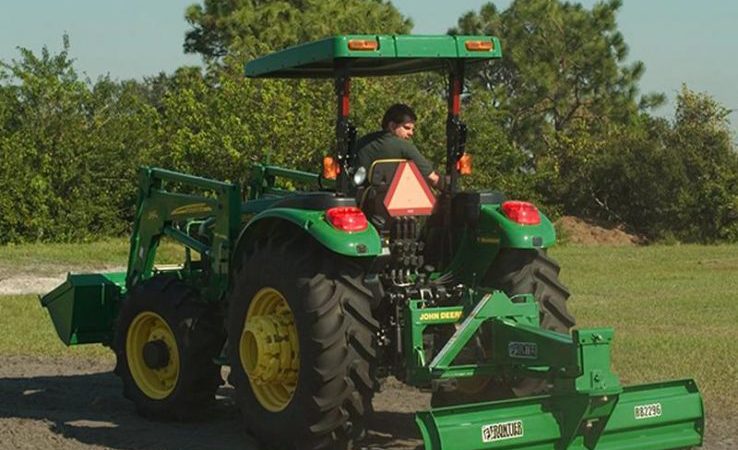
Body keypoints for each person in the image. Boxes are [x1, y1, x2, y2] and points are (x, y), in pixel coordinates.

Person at [355, 103, 440, 186]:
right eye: (406, 128)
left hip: (363, 197)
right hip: (396, 198)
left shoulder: (361, 143)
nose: (411, 133)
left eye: (412, 129)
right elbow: (432, 178)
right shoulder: (404, 146)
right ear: (392, 126)